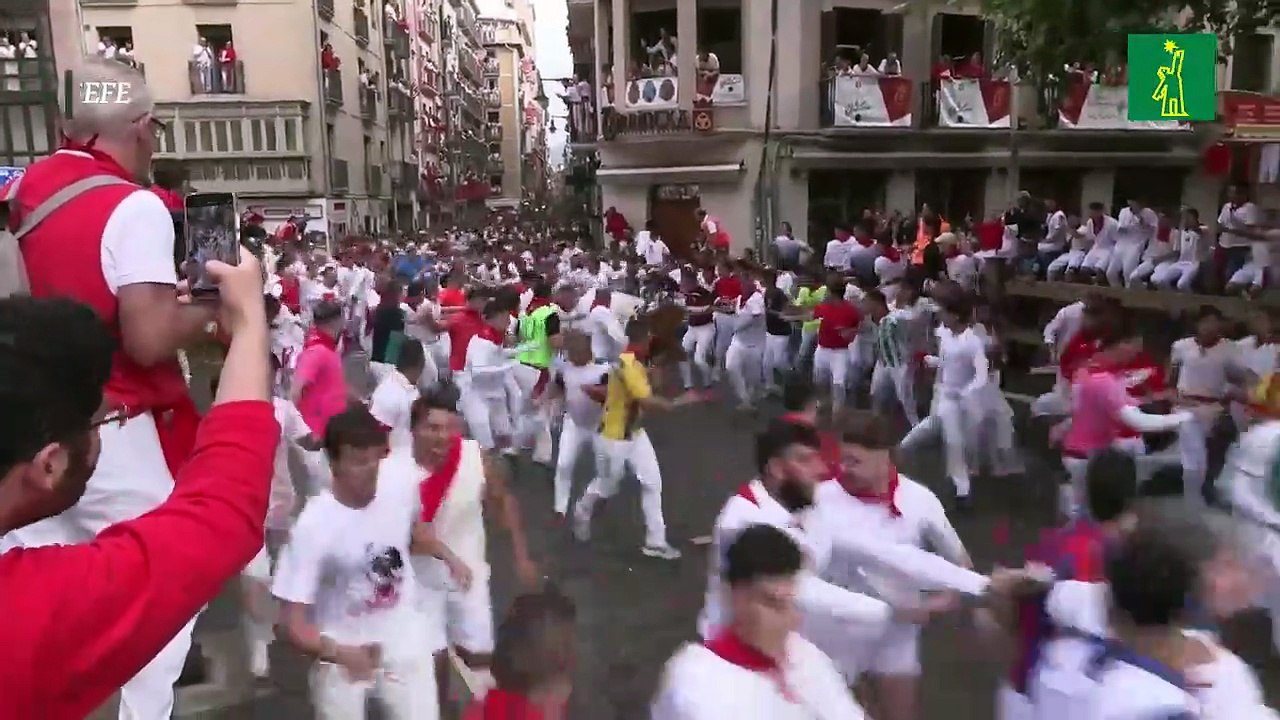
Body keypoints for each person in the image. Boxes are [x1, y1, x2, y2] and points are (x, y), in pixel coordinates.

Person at [3, 55, 227, 720]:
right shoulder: (134, 206)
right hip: (113, 431)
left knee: (40, 592)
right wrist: (219, 301)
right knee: (163, 591)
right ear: (140, 126)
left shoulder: (27, 190)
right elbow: (150, 337)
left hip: (28, 427)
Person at [0, 251, 279, 719]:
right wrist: (249, 323)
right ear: (50, 464)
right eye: (105, 420)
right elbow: (223, 509)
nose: (108, 426)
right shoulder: (27, 619)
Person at [272, 406, 455, 720]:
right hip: (342, 648)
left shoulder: (399, 487)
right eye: (358, 461)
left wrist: (446, 556)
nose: (371, 469)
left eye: (376, 458)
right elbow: (293, 624)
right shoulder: (314, 527)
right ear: (334, 464)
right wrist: (341, 653)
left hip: (402, 639)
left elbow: (413, 530)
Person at [653, 524, 868, 719]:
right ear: (732, 596)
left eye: (792, 604)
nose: (790, 621)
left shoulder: (804, 656)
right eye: (773, 604)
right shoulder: (698, 683)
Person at [573, 318, 693, 560]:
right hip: (613, 438)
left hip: (636, 434)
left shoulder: (637, 362)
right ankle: (581, 513)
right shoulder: (627, 364)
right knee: (607, 486)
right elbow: (648, 401)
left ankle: (655, 542)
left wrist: (656, 368)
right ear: (645, 337)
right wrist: (681, 402)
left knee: (652, 483)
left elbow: (651, 386)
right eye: (651, 337)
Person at [462, 587, 577, 719]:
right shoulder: (489, 709)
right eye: (556, 649)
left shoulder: (583, 702)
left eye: (567, 645)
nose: (563, 656)